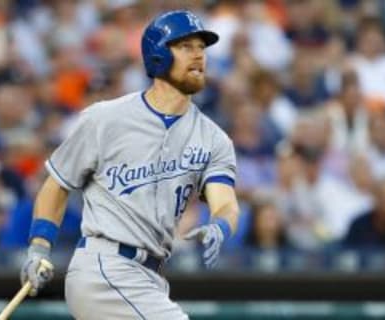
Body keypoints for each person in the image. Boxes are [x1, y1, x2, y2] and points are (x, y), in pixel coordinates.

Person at [20, 10, 239, 320]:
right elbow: (57, 184)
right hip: (104, 268)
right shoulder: (105, 118)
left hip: (150, 277)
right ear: (158, 55)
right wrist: (39, 247)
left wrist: (220, 224)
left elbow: (225, 203)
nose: (198, 55)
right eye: (186, 46)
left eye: (202, 48)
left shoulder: (214, 139)